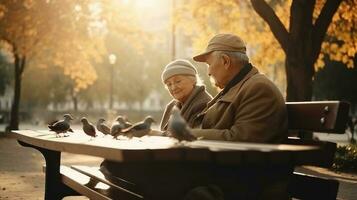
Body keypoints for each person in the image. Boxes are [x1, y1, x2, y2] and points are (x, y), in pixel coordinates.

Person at [189, 33, 288, 143]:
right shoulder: (238, 87)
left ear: (225, 61)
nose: (208, 72)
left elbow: (241, 139)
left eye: (209, 64)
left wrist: (188, 134)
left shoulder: (258, 88)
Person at [160, 59, 212, 131]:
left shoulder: (204, 104)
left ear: (193, 80)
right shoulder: (171, 106)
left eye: (178, 81)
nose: (173, 87)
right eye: (169, 84)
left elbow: (191, 136)